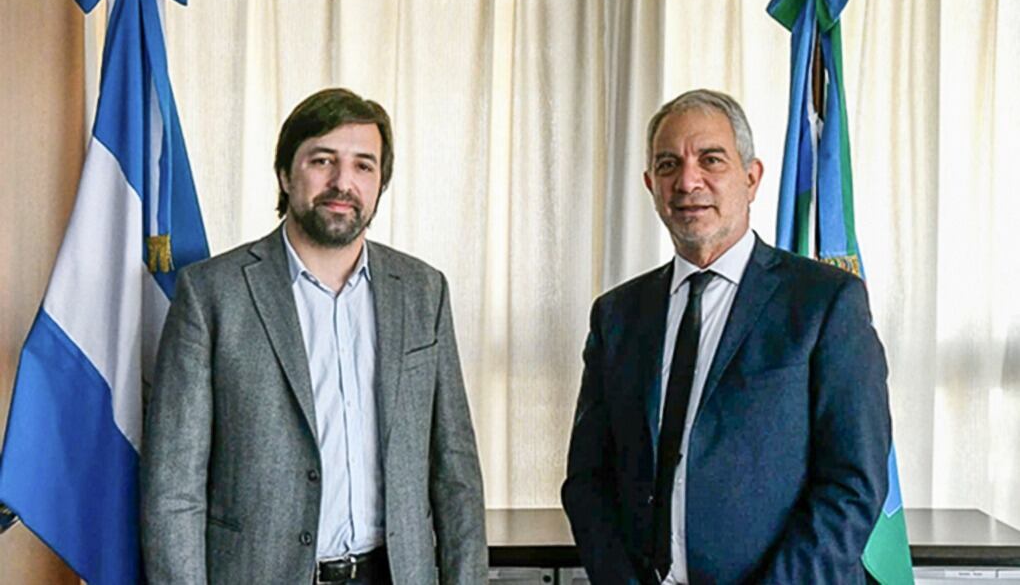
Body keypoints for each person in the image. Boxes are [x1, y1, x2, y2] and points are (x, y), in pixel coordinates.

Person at [142, 88, 487, 584]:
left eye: (363, 166)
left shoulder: (423, 291)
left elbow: (456, 475)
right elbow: (174, 488)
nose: (343, 182)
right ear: (286, 174)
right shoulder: (211, 293)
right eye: (323, 160)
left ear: (380, 183)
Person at [561, 89, 891, 584]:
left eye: (710, 159)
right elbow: (588, 481)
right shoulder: (617, 316)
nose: (687, 181)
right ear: (651, 185)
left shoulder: (825, 303)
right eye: (668, 165)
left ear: (751, 178)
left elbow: (853, 484)